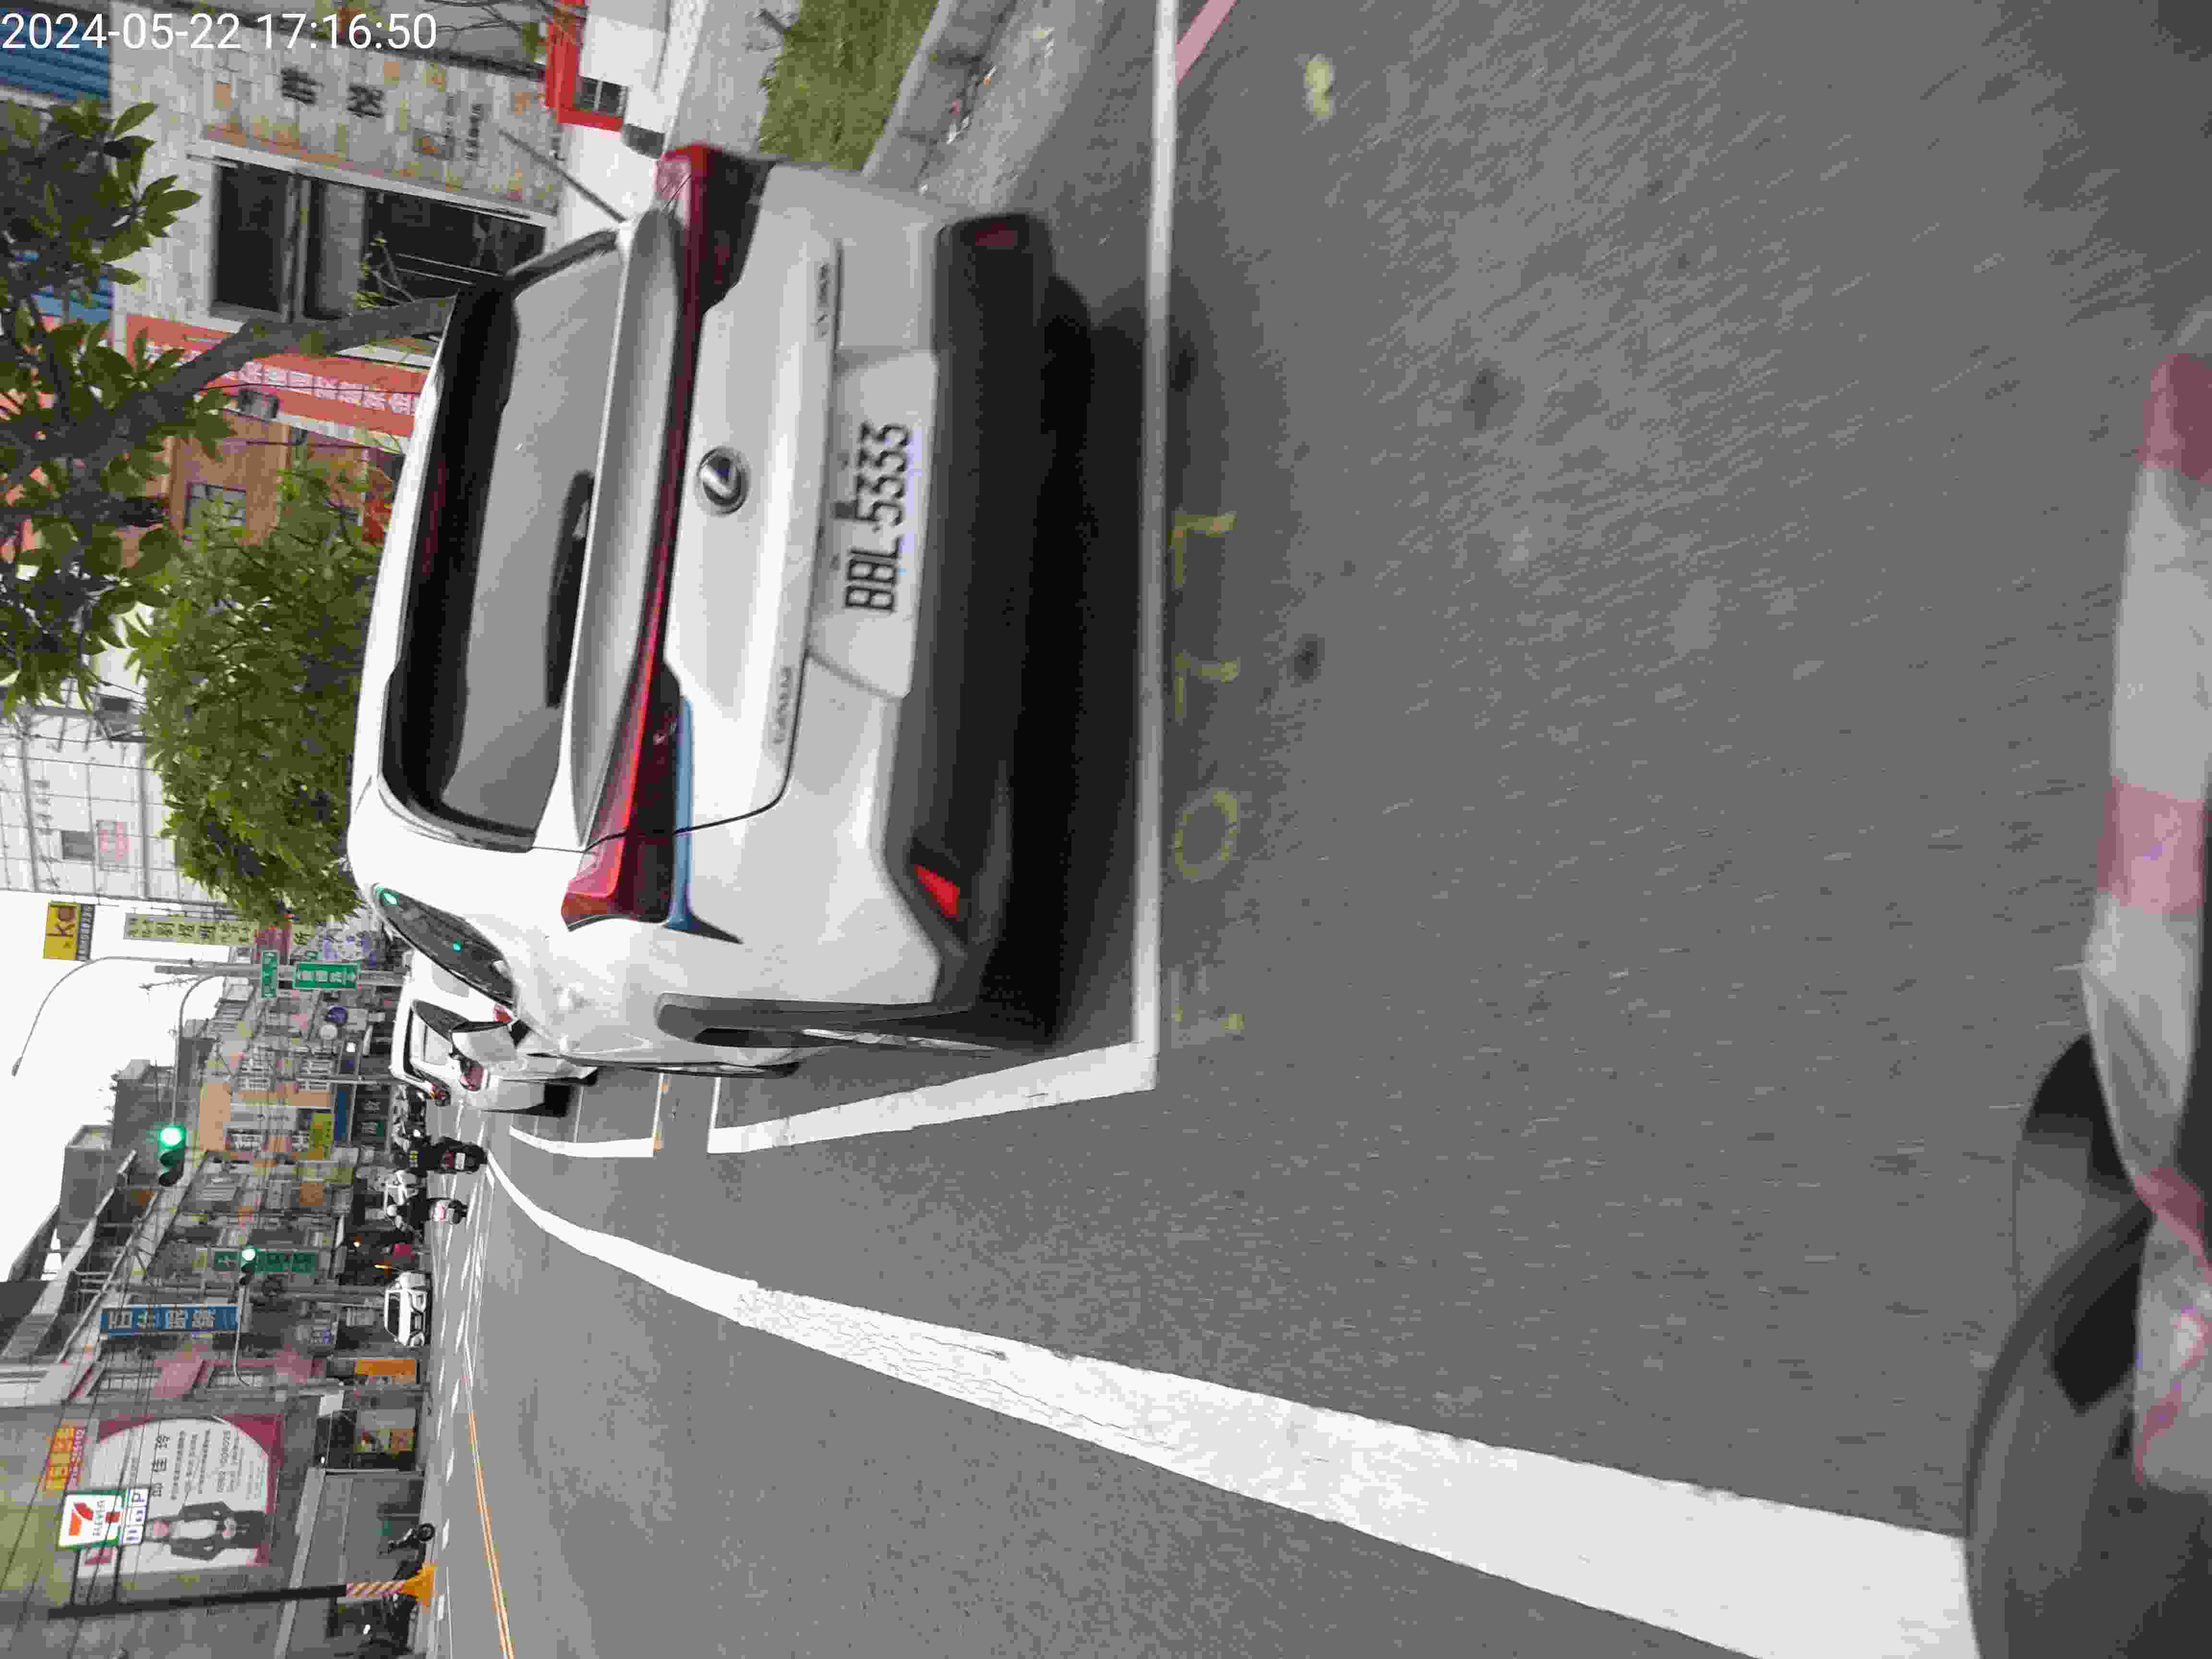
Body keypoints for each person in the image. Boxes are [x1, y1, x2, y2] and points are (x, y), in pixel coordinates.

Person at [142, 1501, 267, 1561]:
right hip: (238, 1540)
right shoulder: (177, 1549)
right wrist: (223, 1539)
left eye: (152, 1526)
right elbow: (208, 1555)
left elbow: (218, 1506)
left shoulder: (185, 1512)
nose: (156, 1530)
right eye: (152, 1534)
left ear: (157, 1520)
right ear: (154, 1540)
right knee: (268, 1541)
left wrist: (229, 1517)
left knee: (269, 1520)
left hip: (246, 1519)